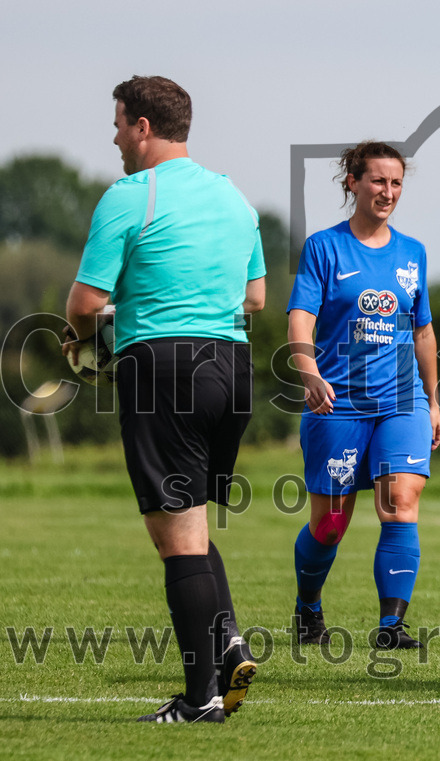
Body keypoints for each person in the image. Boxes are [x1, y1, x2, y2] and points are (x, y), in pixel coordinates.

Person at [63, 76, 265, 723]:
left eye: (119, 124)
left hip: (165, 367)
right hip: (232, 367)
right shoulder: (234, 196)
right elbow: (256, 298)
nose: (116, 138)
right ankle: (227, 642)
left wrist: (87, 342)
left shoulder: (130, 195)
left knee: (176, 538)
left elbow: (85, 304)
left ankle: (201, 697)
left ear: (144, 127)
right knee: (190, 524)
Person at [287, 141, 440, 651]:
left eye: (396, 183)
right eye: (378, 180)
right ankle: (308, 607)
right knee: (330, 524)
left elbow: (423, 332)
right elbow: (300, 319)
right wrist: (309, 373)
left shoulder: (413, 252)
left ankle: (391, 627)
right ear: (352, 182)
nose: (388, 192)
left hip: (402, 401)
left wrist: (433, 401)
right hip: (338, 404)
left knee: (400, 502)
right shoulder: (323, 247)